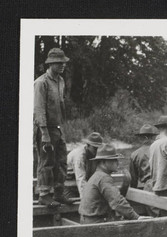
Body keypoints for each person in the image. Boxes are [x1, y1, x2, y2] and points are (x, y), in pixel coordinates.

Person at [33, 48, 74, 207]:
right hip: (46, 129)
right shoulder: (41, 82)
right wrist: (44, 133)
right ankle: (44, 194)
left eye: (64, 62)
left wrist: (62, 127)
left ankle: (58, 193)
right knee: (46, 162)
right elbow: (39, 109)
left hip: (58, 128)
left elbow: (61, 105)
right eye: (59, 62)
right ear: (51, 64)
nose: (63, 65)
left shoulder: (61, 81)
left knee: (62, 161)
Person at [79, 144, 142, 224]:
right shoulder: (104, 178)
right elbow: (117, 202)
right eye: (113, 160)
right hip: (95, 222)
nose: (117, 163)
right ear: (103, 162)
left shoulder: (97, 175)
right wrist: (136, 217)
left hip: (87, 220)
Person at [66, 132, 104, 196]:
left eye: (99, 148)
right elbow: (80, 179)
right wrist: (86, 199)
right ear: (88, 145)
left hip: (84, 181)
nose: (97, 151)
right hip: (69, 185)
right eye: (95, 148)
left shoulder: (94, 154)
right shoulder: (79, 157)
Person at [129, 124, 157, 189]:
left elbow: (133, 179)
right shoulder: (159, 150)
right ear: (152, 137)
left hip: (149, 186)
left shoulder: (134, 154)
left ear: (142, 138)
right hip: (163, 184)